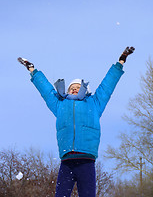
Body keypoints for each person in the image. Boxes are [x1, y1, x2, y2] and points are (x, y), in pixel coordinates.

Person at [17, 46, 135, 197]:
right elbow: (46, 90)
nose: (74, 89)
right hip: (66, 161)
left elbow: (107, 86)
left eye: (78, 88)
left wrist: (120, 62)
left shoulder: (94, 102)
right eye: (72, 87)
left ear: (85, 90)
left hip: (87, 160)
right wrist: (32, 70)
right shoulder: (60, 104)